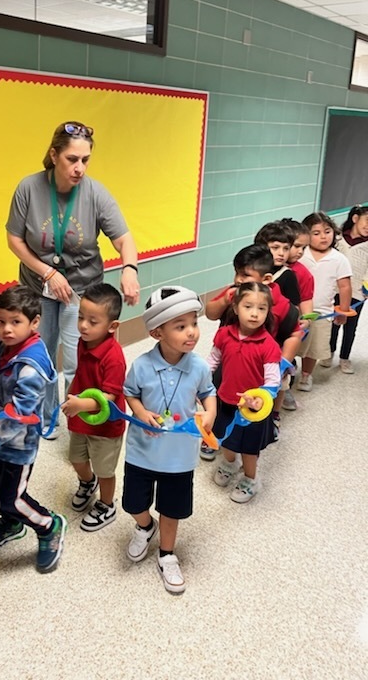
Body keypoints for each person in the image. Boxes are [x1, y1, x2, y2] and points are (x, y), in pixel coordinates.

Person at [6, 121, 140, 433]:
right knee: (43, 352)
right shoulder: (29, 188)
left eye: (85, 160)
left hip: (80, 290)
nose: (79, 168)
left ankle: (78, 417)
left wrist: (129, 269)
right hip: (39, 284)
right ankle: (48, 414)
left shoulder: (95, 193)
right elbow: (15, 240)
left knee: (75, 359)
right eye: (72, 159)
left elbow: (124, 239)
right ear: (54, 155)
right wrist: (48, 272)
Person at [122, 287, 216, 594]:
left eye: (194, 323)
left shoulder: (199, 366)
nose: (191, 333)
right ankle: (145, 526)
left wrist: (210, 414)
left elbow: (208, 394)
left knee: (172, 508)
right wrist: (141, 411)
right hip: (142, 451)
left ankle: (167, 553)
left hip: (179, 457)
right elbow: (130, 393)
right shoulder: (141, 365)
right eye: (181, 326)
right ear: (156, 332)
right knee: (133, 503)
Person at [0, 285, 67, 573]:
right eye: (0, 322)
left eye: (15, 322)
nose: (6, 329)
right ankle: (12, 522)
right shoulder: (6, 345)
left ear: (35, 322)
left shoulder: (31, 366)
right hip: (2, 438)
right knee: (0, 487)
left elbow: (20, 417)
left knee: (13, 496)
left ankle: (49, 525)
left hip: (18, 443)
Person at [204, 245, 302, 451]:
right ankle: (216, 432)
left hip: (261, 363)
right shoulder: (236, 293)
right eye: (237, 273)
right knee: (221, 395)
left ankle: (261, 430)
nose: (238, 279)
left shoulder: (281, 304)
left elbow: (294, 332)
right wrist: (224, 299)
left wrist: (282, 362)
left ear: (266, 279)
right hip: (230, 354)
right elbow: (210, 314)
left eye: (245, 275)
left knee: (255, 407)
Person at [61, 283, 126, 531]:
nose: (83, 325)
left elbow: (109, 396)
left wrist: (80, 404)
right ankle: (88, 482)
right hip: (80, 417)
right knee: (76, 459)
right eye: (80, 317)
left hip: (105, 425)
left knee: (104, 469)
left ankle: (107, 505)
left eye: (92, 321)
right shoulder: (83, 342)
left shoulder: (114, 357)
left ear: (112, 326)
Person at [208, 282, 281, 503]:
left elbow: (273, 381)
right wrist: (199, 381)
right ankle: (230, 463)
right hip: (226, 401)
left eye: (261, 308)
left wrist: (260, 400)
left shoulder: (268, 345)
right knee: (226, 439)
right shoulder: (223, 335)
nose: (254, 313)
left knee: (250, 449)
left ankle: (251, 479)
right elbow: (212, 361)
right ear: (235, 307)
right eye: (248, 306)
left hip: (253, 411)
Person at [298, 212, 352, 392]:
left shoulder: (339, 259)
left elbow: (344, 287)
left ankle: (306, 375)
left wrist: (344, 311)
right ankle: (286, 373)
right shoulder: (300, 253)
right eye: (316, 233)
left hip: (322, 312)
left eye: (327, 231)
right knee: (292, 344)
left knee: (314, 348)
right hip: (296, 309)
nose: (323, 236)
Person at [322, 204, 368, 374]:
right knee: (333, 323)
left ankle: (345, 357)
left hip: (357, 292)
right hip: (335, 290)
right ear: (355, 219)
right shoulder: (338, 240)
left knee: (351, 326)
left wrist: (367, 286)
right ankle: (329, 352)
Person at [279, 218, 315, 412]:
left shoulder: (303, 273)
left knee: (286, 360)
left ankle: (284, 390)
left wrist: (307, 321)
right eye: (297, 246)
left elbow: (307, 300)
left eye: (304, 247)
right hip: (264, 322)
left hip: (288, 325)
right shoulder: (266, 265)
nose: (300, 252)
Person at [254, 221, 300, 306]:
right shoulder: (253, 270)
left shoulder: (288, 276)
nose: (281, 253)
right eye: (275, 248)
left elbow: (294, 308)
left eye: (286, 248)